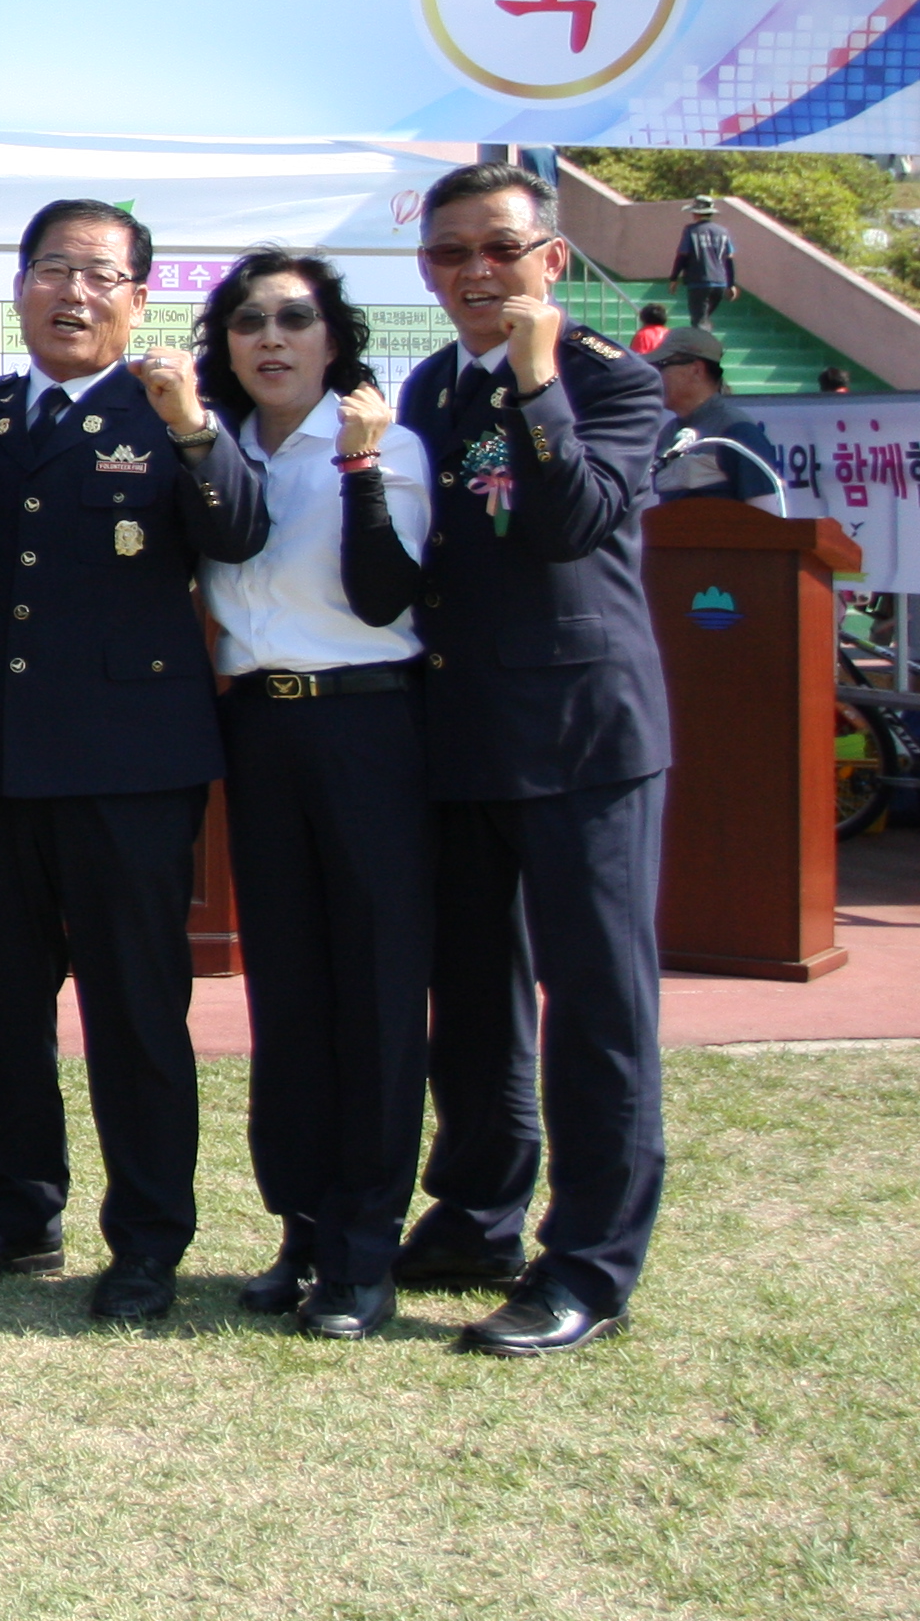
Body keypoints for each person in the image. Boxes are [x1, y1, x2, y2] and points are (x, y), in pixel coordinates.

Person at [0, 198, 264, 1323]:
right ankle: (15, 1211)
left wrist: (195, 426)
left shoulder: (173, 414)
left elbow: (236, 533)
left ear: (138, 299)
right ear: (19, 288)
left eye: (99, 275)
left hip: (129, 767)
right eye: (52, 270)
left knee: (135, 1012)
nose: (73, 293)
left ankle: (150, 1237)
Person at [395, 161, 672, 1356]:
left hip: (581, 739)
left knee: (597, 1008)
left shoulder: (612, 378)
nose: (475, 273)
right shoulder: (426, 386)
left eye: (500, 249)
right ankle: (476, 1213)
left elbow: (570, 521)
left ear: (551, 260)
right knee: (471, 1001)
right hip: (458, 733)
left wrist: (537, 375)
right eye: (449, 253)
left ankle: (592, 1266)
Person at [191, 249, 434, 1341]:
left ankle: (364, 1249)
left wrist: (362, 466)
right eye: (249, 322)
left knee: (373, 991)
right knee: (286, 989)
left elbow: (383, 597)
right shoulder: (214, 447)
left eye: (295, 319)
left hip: (367, 725)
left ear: (335, 339)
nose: (272, 339)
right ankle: (301, 1224)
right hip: (261, 727)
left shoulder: (380, 438)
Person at [650, 329, 781, 501]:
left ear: (696, 370)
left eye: (662, 365)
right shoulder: (668, 434)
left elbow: (766, 513)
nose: (655, 376)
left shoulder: (738, 432)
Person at [669, 197, 737, 328]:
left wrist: (674, 278)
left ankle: (703, 339)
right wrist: (731, 283)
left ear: (696, 213)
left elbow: (683, 255)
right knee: (704, 319)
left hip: (699, 281)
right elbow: (729, 258)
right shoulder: (723, 231)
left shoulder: (691, 230)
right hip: (719, 282)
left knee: (699, 321)